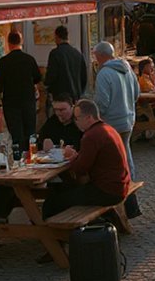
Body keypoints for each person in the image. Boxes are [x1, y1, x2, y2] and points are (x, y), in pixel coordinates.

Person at [39, 99, 130, 262]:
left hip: (107, 191)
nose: (76, 122)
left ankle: (54, 248)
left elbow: (80, 170)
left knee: (52, 203)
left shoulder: (91, 135)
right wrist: (77, 157)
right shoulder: (107, 128)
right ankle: (56, 241)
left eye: (77, 118)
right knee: (62, 193)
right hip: (118, 185)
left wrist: (71, 156)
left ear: (89, 118)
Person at [92, 41, 142, 218]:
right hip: (128, 119)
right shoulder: (126, 67)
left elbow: (102, 103)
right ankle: (132, 202)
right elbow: (137, 93)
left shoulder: (104, 73)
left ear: (100, 55)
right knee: (126, 157)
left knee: (114, 162)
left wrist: (96, 116)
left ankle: (123, 202)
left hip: (112, 123)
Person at [0, 31, 41, 153]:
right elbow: (38, 77)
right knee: (30, 132)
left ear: (8, 44)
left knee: (16, 134)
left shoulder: (3, 62)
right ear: (21, 42)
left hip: (11, 103)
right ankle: (31, 156)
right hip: (28, 101)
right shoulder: (29, 59)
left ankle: (18, 158)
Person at [44, 25, 88, 103]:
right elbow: (84, 77)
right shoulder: (78, 54)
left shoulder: (55, 53)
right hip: (76, 96)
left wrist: (47, 87)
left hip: (60, 95)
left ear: (57, 37)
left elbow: (51, 75)